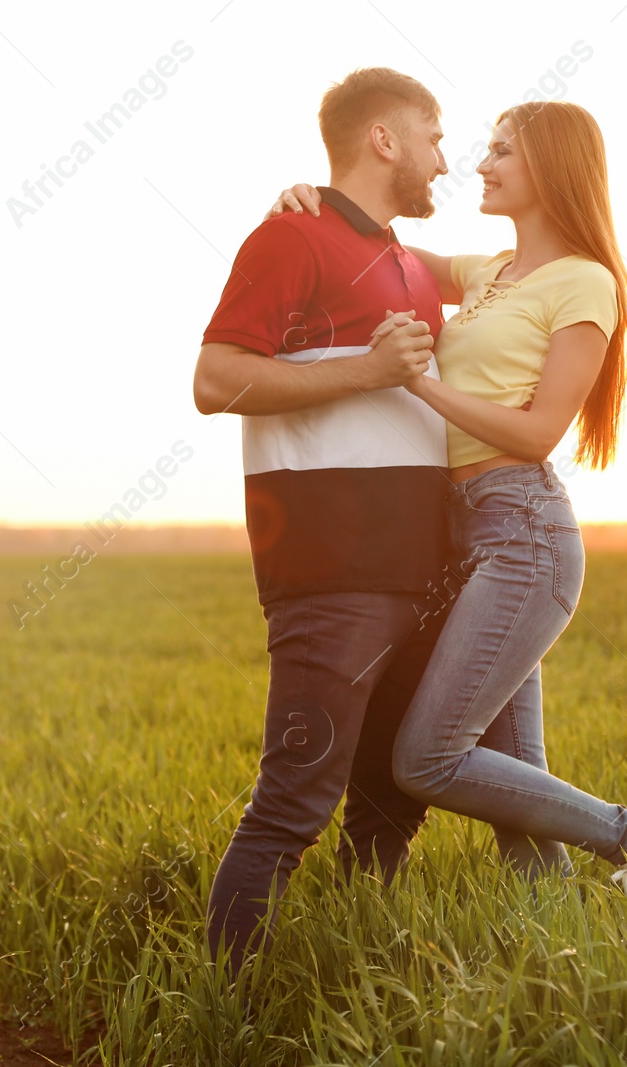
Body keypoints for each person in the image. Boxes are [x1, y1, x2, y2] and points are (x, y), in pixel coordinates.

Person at [267, 100, 627, 893]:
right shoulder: (490, 272)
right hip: (467, 538)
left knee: (427, 756)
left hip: (524, 533)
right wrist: (311, 203)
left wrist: (419, 383)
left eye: (502, 151)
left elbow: (537, 433)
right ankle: (556, 948)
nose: (481, 163)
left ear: (552, 169)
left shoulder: (586, 283)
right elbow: (378, 252)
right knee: (516, 786)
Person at [191, 67, 461, 971]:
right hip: (331, 575)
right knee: (293, 806)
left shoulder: (414, 266)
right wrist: (368, 372)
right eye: (432, 136)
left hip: (424, 581)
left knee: (391, 802)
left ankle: (350, 980)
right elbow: (216, 380)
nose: (444, 159)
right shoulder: (287, 238)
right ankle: (226, 1015)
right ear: (384, 139)